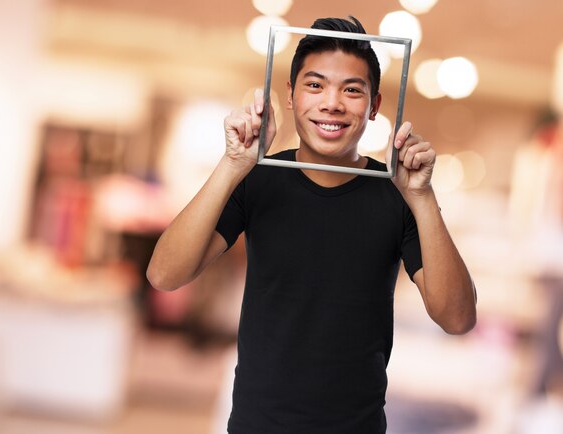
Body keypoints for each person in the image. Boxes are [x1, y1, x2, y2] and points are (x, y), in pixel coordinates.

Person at [147, 15, 477, 434]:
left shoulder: (398, 196)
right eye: (315, 85)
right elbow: (163, 275)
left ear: (374, 105)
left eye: (352, 90)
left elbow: (458, 319)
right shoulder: (257, 180)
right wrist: (231, 165)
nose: (332, 103)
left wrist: (424, 198)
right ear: (291, 95)